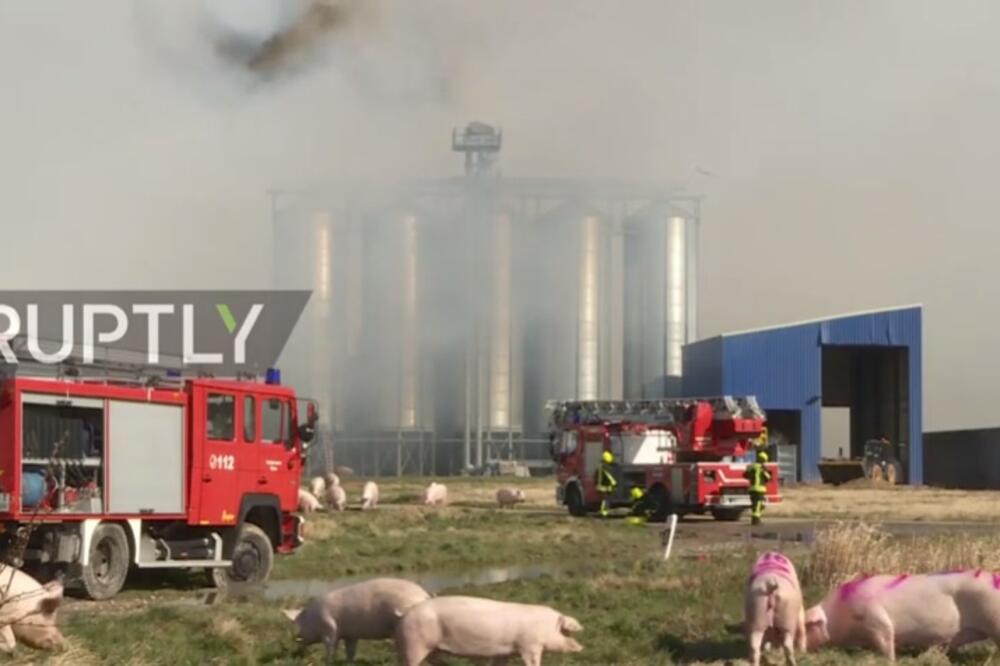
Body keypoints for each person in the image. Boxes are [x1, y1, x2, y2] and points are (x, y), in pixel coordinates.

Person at [744, 449, 772, 526]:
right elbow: (768, 478)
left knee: (756, 505)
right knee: (759, 505)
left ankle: (755, 520)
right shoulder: (763, 468)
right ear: (764, 460)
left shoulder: (751, 467)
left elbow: (745, 475)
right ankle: (756, 521)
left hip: (752, 489)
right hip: (760, 489)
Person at [595, 450, 619, 517]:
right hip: (604, 487)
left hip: (602, 486)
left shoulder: (600, 466)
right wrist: (614, 483)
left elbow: (597, 477)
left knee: (605, 499)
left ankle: (603, 511)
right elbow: (609, 477)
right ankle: (603, 512)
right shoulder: (605, 467)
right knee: (606, 500)